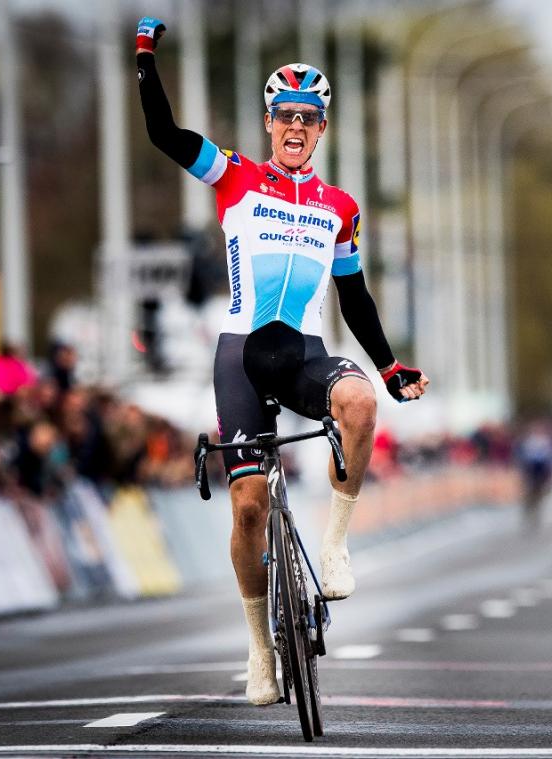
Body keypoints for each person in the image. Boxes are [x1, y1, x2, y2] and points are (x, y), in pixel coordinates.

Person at [134, 17, 429, 706]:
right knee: (248, 508)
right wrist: (146, 60)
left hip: (302, 352)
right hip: (241, 353)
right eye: (284, 115)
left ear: (322, 129)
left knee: (359, 403)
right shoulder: (234, 175)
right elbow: (163, 135)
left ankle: (333, 545)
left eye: (308, 117)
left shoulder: (339, 208)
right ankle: (259, 648)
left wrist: (388, 367)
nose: (295, 126)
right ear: (268, 122)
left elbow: (353, 295)